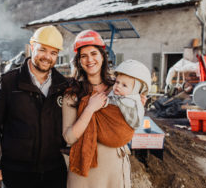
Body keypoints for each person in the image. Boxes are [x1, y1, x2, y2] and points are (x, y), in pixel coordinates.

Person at [0, 25, 68, 188]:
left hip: (54, 172)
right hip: (17, 173)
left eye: (53, 53)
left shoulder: (63, 85)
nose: (47, 57)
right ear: (32, 46)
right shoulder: (8, 82)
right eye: (43, 50)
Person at [62, 30, 146, 188]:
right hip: (85, 171)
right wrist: (89, 109)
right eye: (83, 56)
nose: (89, 60)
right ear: (79, 61)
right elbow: (69, 138)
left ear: (102, 56)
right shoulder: (73, 95)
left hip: (115, 166)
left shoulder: (120, 88)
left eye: (94, 53)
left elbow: (130, 125)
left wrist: (137, 106)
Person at [105, 59, 151, 130]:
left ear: (135, 91)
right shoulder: (117, 93)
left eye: (124, 85)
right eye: (117, 82)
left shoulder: (129, 102)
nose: (118, 86)